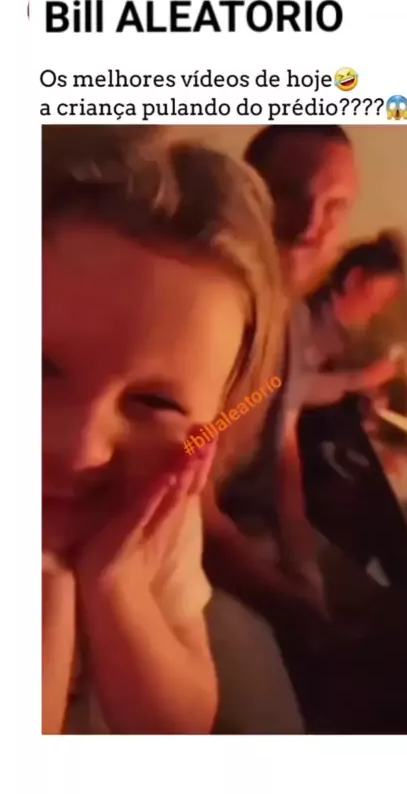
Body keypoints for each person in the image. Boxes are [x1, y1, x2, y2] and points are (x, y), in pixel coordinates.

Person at [42, 126, 289, 735]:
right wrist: (49, 591)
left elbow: (177, 729)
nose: (81, 450)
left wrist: (116, 584)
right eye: (36, 367)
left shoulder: (152, 517)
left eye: (155, 402)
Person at [202, 125, 359, 644]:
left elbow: (286, 443)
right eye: (290, 194)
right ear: (249, 191)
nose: (311, 226)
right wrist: (293, 606)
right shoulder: (211, 308)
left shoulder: (292, 315)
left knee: (403, 623)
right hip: (193, 553)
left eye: (335, 207)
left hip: (256, 533)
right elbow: (182, 498)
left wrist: (302, 562)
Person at [305, 231, 405, 407]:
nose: (378, 310)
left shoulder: (342, 335)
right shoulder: (307, 319)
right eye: (380, 298)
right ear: (353, 279)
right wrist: (360, 380)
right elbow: (287, 386)